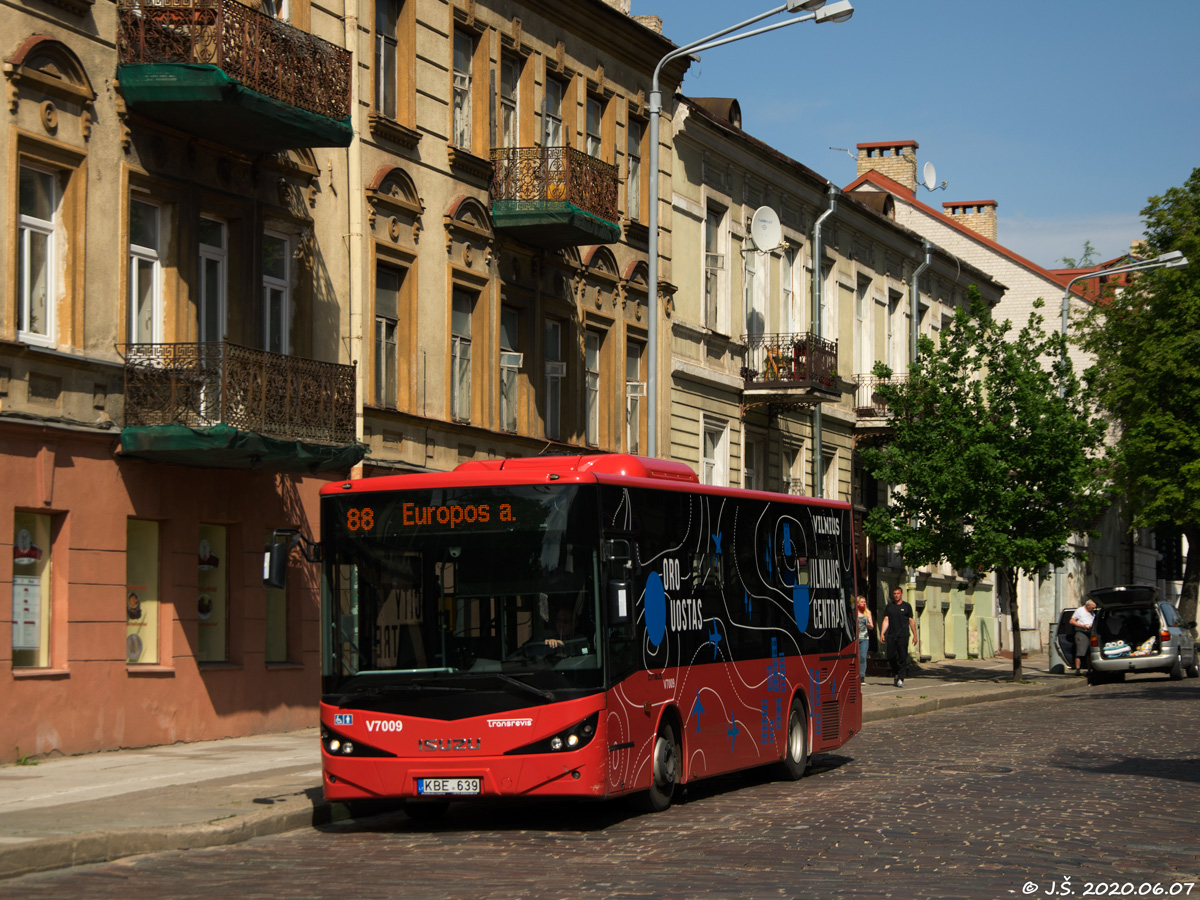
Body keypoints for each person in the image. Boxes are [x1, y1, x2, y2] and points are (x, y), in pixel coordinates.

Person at [880, 587, 918, 688]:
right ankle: (896, 672)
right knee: (890, 656)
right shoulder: (889, 607)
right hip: (892, 635)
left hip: (903, 635)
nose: (896, 595)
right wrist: (882, 633)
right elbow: (886, 620)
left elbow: (911, 620)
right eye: (895, 593)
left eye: (898, 593)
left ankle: (901, 678)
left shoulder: (906, 606)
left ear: (902, 594)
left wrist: (915, 635)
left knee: (902, 657)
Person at [1069, 598, 1097, 674]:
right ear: (1088, 606)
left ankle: (1089, 669)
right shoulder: (1080, 611)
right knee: (1080, 652)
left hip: (1090, 633)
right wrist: (1082, 626)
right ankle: (1077, 669)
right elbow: (1072, 621)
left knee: (1089, 652)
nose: (1093, 609)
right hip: (1081, 632)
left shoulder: (1092, 613)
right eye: (1092, 607)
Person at [855, 596, 874, 684]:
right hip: (855, 638)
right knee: (855, 658)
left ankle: (862, 676)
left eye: (864, 602)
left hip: (864, 638)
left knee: (862, 657)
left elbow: (871, 626)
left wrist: (868, 624)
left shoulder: (867, 613)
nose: (863, 603)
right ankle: (855, 675)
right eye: (862, 602)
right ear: (858, 603)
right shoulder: (854, 612)